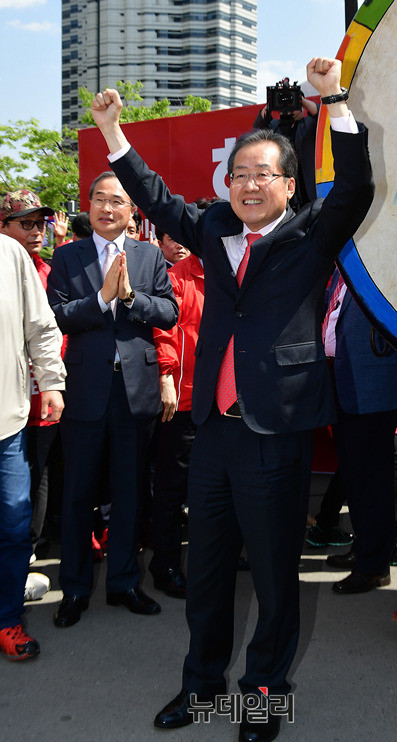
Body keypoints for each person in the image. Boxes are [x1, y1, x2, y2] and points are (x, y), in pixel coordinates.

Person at [92, 55, 374, 741]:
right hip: (212, 431)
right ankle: (200, 685)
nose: (248, 183)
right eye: (238, 173)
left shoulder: (313, 232)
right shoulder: (215, 227)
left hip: (275, 430)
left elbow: (357, 185)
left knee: (274, 578)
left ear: (288, 183)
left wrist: (334, 98)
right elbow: (157, 200)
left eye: (262, 174)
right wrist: (112, 132)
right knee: (210, 568)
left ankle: (264, 698)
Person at [46, 171, 178, 629]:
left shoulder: (149, 255)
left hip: (135, 393)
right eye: (99, 199)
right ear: (89, 206)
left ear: (131, 210)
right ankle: (74, 589)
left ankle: (124, 582)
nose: (107, 207)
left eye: (117, 200)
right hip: (85, 392)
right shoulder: (68, 256)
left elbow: (169, 312)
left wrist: (131, 297)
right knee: (78, 495)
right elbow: (57, 316)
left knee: (129, 494)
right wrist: (102, 299)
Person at [319, 271, 397, 594]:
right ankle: (365, 549)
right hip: (343, 381)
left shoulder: (379, 268)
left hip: (372, 385)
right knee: (356, 479)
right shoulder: (339, 273)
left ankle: (374, 566)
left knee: (372, 481)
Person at [0, 233, 65, 661]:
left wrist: (52, 382)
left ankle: (7, 618)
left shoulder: (10, 255)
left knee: (14, 523)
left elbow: (40, 327)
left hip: (8, 422)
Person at [0, 190, 63, 573]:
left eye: (41, 224)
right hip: (13, 406)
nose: (37, 231)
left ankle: (28, 554)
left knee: (34, 482)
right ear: (3, 225)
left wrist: (52, 381)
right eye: (27, 223)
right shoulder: (12, 264)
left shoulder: (48, 271)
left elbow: (47, 331)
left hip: (37, 402)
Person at [150, 248, 205, 598]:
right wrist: (166, 375)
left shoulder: (234, 271)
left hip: (222, 403)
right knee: (172, 488)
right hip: (183, 402)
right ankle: (165, 565)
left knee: (216, 488)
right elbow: (163, 329)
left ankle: (215, 556)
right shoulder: (178, 277)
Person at [253, 92, 319, 210]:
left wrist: (300, 99)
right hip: (282, 184)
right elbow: (258, 127)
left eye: (293, 104)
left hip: (307, 185)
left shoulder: (309, 123)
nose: (290, 109)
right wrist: (272, 102)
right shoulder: (274, 126)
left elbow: (319, 113)